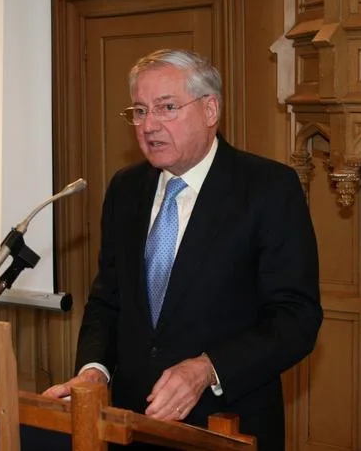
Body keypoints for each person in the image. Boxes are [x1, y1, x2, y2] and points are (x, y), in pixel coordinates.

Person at [44, 49, 322, 451]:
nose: (148, 125)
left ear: (210, 110)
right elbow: (108, 301)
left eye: (166, 107)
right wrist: (94, 371)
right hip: (129, 423)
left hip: (225, 423)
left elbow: (296, 318)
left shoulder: (268, 188)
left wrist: (208, 368)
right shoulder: (126, 188)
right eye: (140, 111)